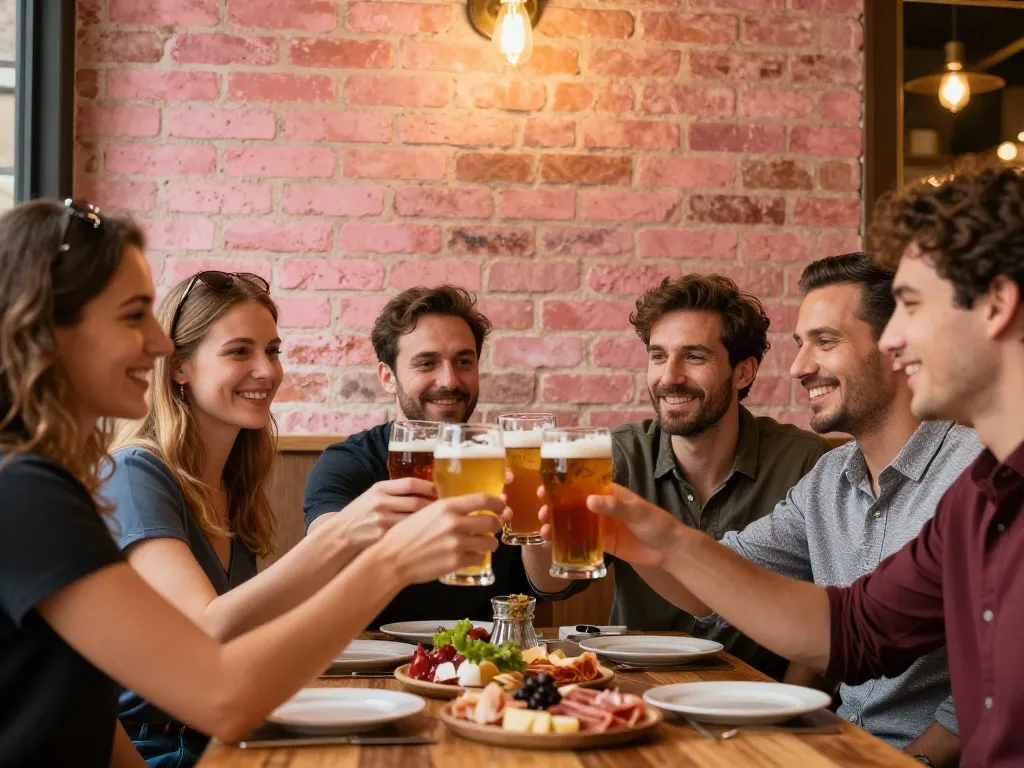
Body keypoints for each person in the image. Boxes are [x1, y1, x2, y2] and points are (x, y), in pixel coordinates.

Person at [0, 199, 504, 767]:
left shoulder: (47, 483)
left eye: (271, 350)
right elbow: (219, 693)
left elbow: (89, 709)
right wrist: (387, 560)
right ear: (47, 328)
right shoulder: (29, 493)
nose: (160, 343)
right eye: (132, 314)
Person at [551, 166, 1024, 767]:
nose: (896, 338)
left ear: (998, 305)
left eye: (911, 306)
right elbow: (853, 631)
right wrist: (658, 540)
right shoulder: (979, 493)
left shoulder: (967, 475)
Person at [599, 253, 978, 760]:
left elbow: (992, 679)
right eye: (801, 346)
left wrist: (913, 763)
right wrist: (629, 535)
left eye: (825, 342)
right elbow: (719, 584)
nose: (799, 367)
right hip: (839, 741)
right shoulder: (829, 477)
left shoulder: (974, 473)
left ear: (896, 347)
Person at [104, 272, 411, 766]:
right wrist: (344, 534)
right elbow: (203, 631)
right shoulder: (134, 473)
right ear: (180, 367)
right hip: (156, 749)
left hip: (225, 729)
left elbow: (249, 631)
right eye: (239, 351)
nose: (266, 370)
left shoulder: (233, 481)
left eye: (273, 349)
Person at [522, 274, 831, 680]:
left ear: (743, 372)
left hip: (759, 698)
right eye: (657, 356)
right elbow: (551, 584)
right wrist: (537, 516)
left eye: (695, 356)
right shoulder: (614, 456)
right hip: (633, 684)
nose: (669, 376)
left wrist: (795, 711)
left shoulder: (807, 463)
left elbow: (830, 621)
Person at [303, 286, 534, 626]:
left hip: (489, 660)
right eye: (426, 363)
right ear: (387, 377)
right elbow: (319, 562)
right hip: (373, 660)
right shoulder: (350, 462)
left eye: (464, 361)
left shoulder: (508, 462)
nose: (449, 380)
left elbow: (548, 585)